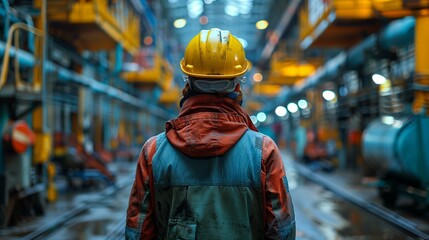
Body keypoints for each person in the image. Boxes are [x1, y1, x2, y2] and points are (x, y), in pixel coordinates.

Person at [125, 28, 295, 239]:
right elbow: (282, 231)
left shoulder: (153, 152)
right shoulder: (263, 151)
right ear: (237, 85)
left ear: (188, 83)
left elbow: (138, 232)